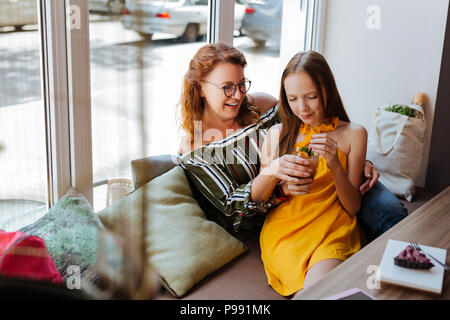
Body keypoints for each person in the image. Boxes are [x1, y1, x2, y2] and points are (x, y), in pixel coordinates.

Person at [177, 43, 406, 240]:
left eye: (242, 84)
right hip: (288, 210)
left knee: (394, 217)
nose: (238, 95)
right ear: (200, 89)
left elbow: (311, 121)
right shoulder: (196, 149)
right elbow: (232, 208)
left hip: (332, 181)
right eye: (227, 87)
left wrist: (357, 159)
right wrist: (278, 183)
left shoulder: (264, 106)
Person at [253, 50, 364, 296]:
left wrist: (335, 164)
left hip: (332, 229)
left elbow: (353, 206)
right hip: (285, 233)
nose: (301, 108)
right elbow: (258, 197)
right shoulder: (277, 134)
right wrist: (273, 169)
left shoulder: (354, 134)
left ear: (327, 91)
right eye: (292, 99)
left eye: (311, 97)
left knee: (319, 291)